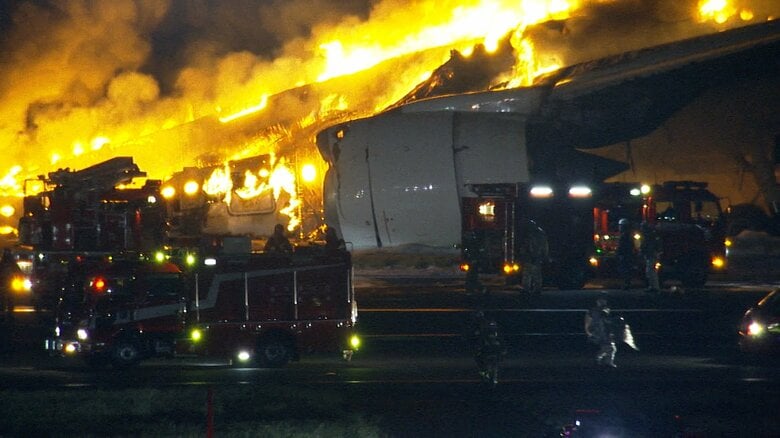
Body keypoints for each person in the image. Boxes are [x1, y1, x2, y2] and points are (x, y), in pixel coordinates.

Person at [584, 295, 617, 368]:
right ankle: (600, 359)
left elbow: (587, 322)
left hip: (600, 332)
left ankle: (604, 360)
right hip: (601, 332)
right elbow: (588, 322)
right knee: (610, 347)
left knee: (608, 347)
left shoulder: (593, 311)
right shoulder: (602, 310)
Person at [519, 220, 549, 295]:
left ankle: (530, 289)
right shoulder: (539, 234)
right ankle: (535, 289)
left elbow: (526, 245)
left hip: (533, 256)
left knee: (530, 273)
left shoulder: (532, 234)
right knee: (534, 273)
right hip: (535, 256)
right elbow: (544, 246)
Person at [639, 221, 661, 293]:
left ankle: (654, 287)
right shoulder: (651, 235)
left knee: (651, 271)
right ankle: (653, 286)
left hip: (651, 255)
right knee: (650, 272)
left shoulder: (649, 236)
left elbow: (647, 246)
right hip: (651, 255)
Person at [0, 248, 22, 314]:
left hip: (11, 282)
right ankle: (3, 307)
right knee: (3, 295)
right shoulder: (2, 263)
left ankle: (9, 307)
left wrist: (20, 277)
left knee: (11, 295)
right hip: (3, 282)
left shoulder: (12, 263)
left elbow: (18, 271)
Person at [616, 218, 635, 290]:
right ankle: (626, 283)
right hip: (626, 255)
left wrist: (618, 253)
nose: (619, 227)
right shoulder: (628, 235)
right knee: (625, 270)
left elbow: (622, 246)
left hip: (625, 255)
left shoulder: (625, 236)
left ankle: (626, 284)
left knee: (625, 270)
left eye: (621, 226)